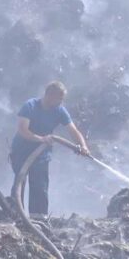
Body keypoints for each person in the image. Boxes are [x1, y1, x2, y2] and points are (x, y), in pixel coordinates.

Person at [9, 81, 91, 217]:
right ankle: (15, 215)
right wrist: (41, 139)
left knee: (40, 185)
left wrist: (83, 146)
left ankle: (39, 218)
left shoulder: (59, 110)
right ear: (49, 95)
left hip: (42, 154)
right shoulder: (30, 106)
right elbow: (23, 130)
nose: (61, 102)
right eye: (59, 98)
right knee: (20, 182)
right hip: (21, 151)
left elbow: (73, 130)